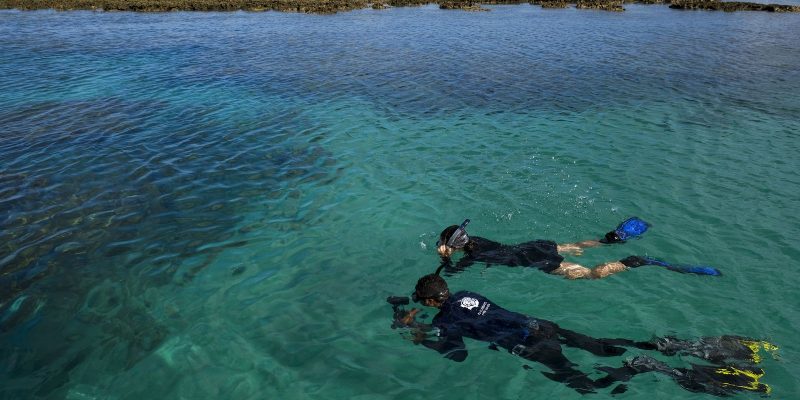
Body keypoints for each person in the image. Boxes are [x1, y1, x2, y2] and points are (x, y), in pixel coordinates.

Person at [387, 271, 774, 395]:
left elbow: (456, 353)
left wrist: (418, 337)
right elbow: (473, 317)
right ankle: (688, 346)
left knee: (588, 386)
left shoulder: (443, 321)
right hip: (543, 325)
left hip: (531, 346)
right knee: (606, 346)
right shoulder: (467, 294)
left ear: (431, 302)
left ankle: (649, 367)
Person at [435, 218, 720, 279]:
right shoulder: (479, 241)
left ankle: (631, 261)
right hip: (533, 246)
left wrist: (446, 261)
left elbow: (451, 274)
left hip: (534, 262)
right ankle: (615, 238)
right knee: (578, 246)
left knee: (589, 275)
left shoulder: (474, 255)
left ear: (454, 247)